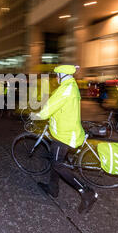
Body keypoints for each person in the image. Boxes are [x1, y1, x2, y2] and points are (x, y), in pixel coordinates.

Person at [30, 65, 98, 214]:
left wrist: (38, 115)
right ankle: (53, 188)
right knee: (56, 160)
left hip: (65, 135)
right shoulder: (70, 85)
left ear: (62, 75)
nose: (56, 77)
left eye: (57, 75)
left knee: (57, 163)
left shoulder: (66, 89)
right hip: (61, 132)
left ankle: (87, 192)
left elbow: (51, 105)